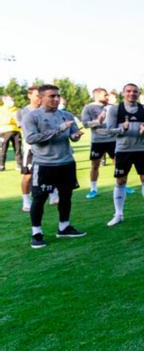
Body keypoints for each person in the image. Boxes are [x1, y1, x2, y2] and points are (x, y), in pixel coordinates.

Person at [22, 84, 87, 248]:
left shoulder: (66, 115)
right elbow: (31, 138)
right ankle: (36, 233)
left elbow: (72, 137)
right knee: (39, 198)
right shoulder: (32, 116)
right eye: (52, 96)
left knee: (66, 196)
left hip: (66, 162)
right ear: (41, 97)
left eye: (58, 96)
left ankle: (64, 227)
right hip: (44, 164)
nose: (56, 99)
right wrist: (58, 129)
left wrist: (75, 135)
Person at [105, 84, 144, 226]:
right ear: (123, 93)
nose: (132, 94)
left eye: (135, 91)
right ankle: (118, 214)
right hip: (123, 150)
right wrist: (121, 128)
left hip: (141, 149)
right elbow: (109, 130)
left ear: (138, 94)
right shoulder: (115, 109)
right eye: (129, 91)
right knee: (120, 181)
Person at [81, 88, 116, 199]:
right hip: (98, 141)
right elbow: (85, 124)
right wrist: (98, 121)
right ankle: (93, 189)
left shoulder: (113, 107)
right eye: (105, 95)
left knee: (119, 164)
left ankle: (122, 185)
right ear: (96, 95)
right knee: (95, 166)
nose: (107, 97)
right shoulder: (88, 107)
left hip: (113, 140)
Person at [17, 86, 41, 212]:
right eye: (37, 95)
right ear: (29, 96)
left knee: (49, 172)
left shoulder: (46, 109)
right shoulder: (24, 111)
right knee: (28, 175)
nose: (40, 98)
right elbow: (26, 129)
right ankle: (26, 201)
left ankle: (53, 195)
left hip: (46, 148)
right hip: (31, 148)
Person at [0, 94, 23, 172]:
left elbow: (20, 121)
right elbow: (4, 120)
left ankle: (19, 165)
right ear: (4, 100)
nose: (11, 101)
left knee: (18, 149)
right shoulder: (1, 109)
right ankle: (1, 165)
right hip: (4, 131)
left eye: (11, 99)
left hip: (16, 131)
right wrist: (11, 120)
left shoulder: (17, 110)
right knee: (3, 149)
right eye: (9, 99)